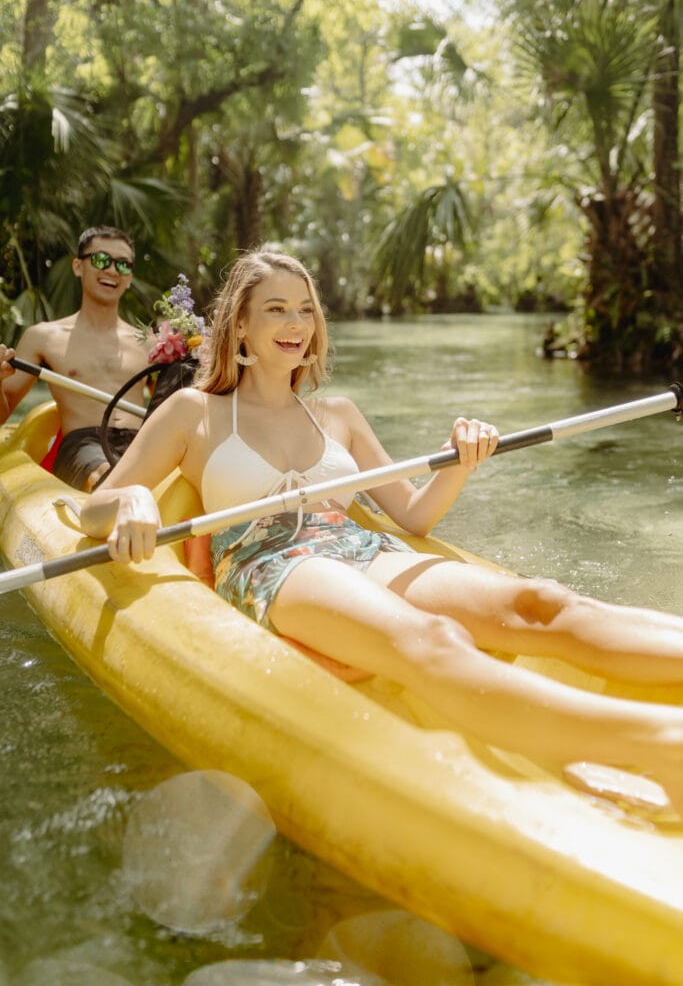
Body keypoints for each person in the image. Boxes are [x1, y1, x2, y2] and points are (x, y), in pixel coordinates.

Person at [79, 249, 683, 815]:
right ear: (239, 326)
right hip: (274, 561)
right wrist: (132, 499)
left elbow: (413, 517)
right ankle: (657, 745)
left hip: (362, 547)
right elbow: (94, 510)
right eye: (276, 309)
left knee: (542, 602)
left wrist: (457, 459)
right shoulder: (193, 413)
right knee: (433, 639)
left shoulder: (337, 414)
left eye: (306, 309)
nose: (296, 323)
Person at [0, 225, 155, 491]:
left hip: (140, 444)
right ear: (77, 266)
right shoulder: (44, 337)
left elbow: (174, 403)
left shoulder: (150, 342)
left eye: (123, 264)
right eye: (100, 260)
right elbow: (4, 413)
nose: (112, 270)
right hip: (83, 446)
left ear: (130, 278)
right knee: (108, 479)